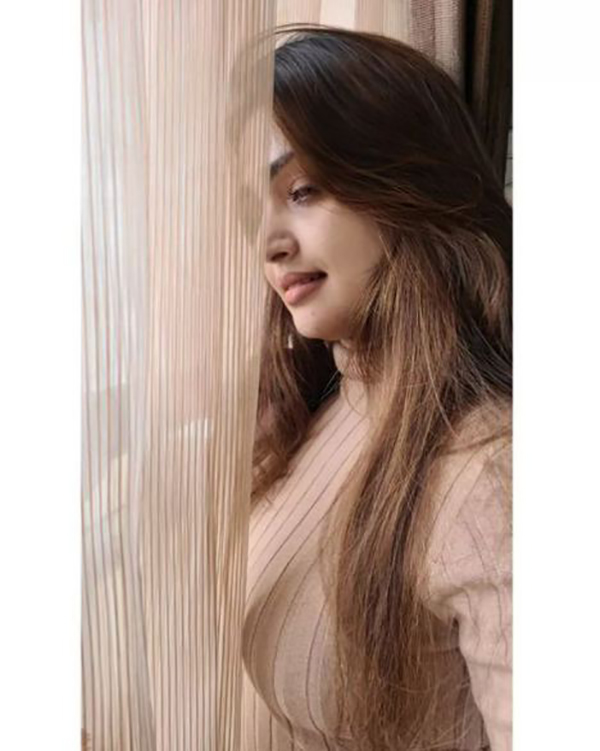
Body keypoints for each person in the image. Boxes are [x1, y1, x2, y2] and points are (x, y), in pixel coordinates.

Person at [243, 26, 512, 751]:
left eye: (302, 190)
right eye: (254, 207)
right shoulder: (322, 405)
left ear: (406, 188)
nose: (268, 242)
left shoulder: (489, 475)